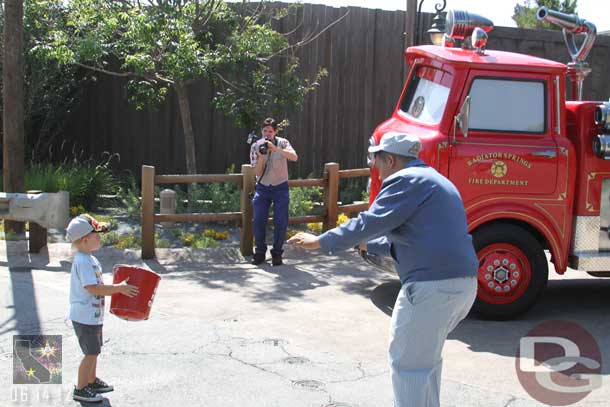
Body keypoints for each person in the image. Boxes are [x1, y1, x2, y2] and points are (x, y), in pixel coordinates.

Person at [288, 132, 478, 407]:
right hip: (460, 286)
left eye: (374, 158)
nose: (373, 166)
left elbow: (369, 223)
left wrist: (320, 241)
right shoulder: (436, 180)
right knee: (425, 363)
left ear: (389, 159)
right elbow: (417, 238)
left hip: (431, 287)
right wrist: (364, 245)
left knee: (408, 365)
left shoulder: (404, 180)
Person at [66, 214, 139, 403]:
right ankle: (81, 388)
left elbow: (96, 285)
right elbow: (92, 288)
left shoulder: (90, 259)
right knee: (90, 353)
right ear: (84, 239)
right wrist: (119, 289)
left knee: (95, 351)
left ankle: (91, 381)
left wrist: (118, 286)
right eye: (97, 235)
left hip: (92, 315)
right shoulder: (82, 261)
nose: (100, 238)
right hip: (84, 316)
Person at [250, 117, 298, 266]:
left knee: (280, 220)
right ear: (261, 131)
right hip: (263, 187)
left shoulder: (283, 142)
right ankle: (259, 253)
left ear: (275, 132)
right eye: (265, 130)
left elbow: (294, 157)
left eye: (270, 131)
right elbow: (257, 172)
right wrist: (262, 158)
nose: (267, 133)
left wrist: (275, 148)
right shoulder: (255, 146)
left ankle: (277, 253)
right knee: (258, 220)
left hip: (280, 186)